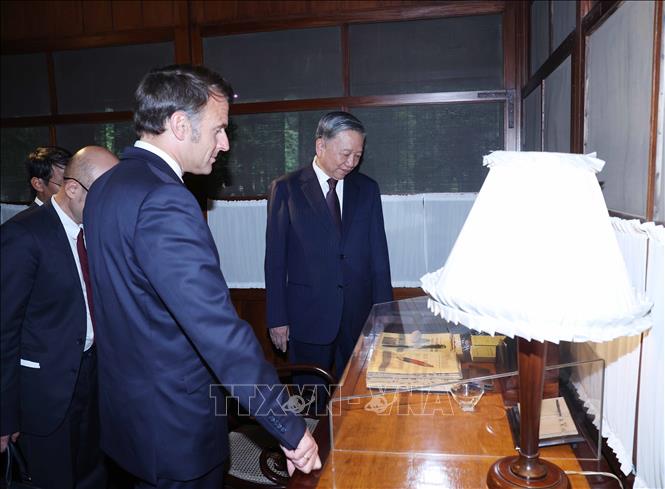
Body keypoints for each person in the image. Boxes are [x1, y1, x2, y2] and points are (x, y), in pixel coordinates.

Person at [82, 64, 320, 489]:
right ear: (179, 125)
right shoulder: (165, 200)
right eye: (219, 129)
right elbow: (217, 331)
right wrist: (289, 427)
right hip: (177, 430)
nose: (225, 144)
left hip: (128, 422)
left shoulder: (106, 186)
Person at [0, 146, 119, 489]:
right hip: (43, 391)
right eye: (104, 196)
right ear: (72, 188)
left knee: (93, 476)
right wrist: (4, 416)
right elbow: (4, 330)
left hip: (94, 378)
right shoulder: (23, 235)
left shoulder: (97, 231)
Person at [264, 111, 393, 389]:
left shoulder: (367, 189)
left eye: (358, 155)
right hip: (307, 317)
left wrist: (385, 315)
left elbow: (379, 256)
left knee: (357, 395)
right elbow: (275, 261)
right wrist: (277, 318)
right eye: (345, 154)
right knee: (310, 400)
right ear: (321, 145)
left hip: (358, 317)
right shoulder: (286, 189)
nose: (351, 163)